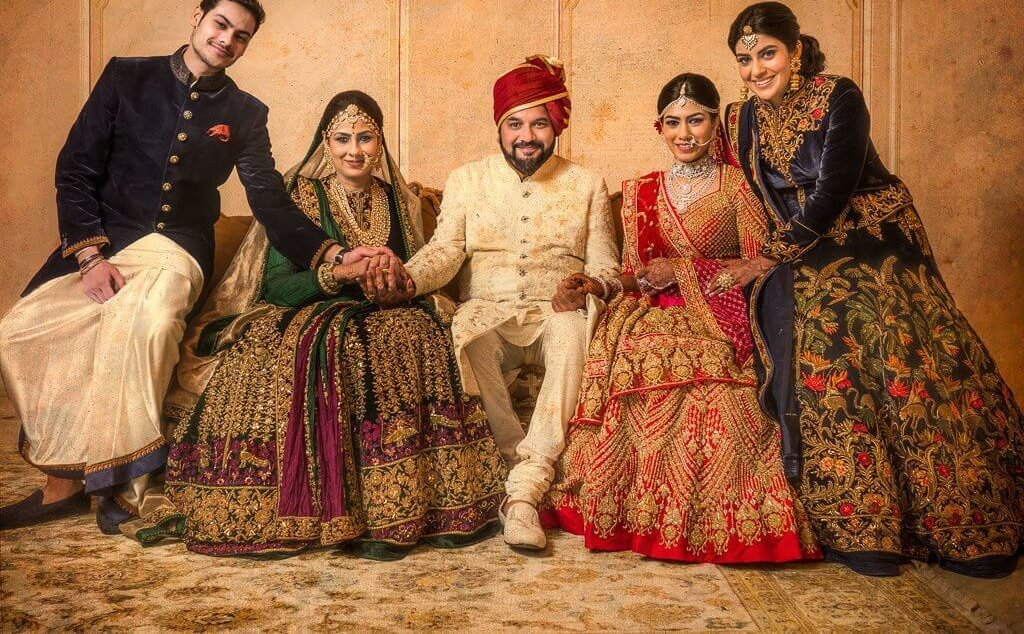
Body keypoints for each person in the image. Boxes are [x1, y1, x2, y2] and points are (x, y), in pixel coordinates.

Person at [0, 0, 349, 534]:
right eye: (220, 24)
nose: (226, 40)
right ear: (197, 17)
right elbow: (76, 168)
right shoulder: (126, 76)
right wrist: (90, 256)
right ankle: (63, 480)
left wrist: (330, 251)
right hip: (106, 240)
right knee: (20, 331)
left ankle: (124, 484)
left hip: (180, 246)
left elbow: (269, 201)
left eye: (241, 36)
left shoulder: (246, 113)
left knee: (150, 321)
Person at [729, 0, 1023, 577]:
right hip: (802, 250)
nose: (757, 69)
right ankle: (861, 522)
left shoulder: (839, 95)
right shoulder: (743, 117)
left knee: (896, 348)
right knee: (814, 338)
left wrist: (769, 255)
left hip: (872, 239)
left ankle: (964, 518)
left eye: (768, 54)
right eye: (745, 59)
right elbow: (757, 195)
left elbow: (835, 187)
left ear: (795, 51)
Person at [143, 91, 506, 559]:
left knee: (421, 331)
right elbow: (278, 287)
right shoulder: (300, 197)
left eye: (366, 138)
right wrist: (340, 274)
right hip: (308, 310)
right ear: (325, 144)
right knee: (343, 344)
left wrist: (393, 277)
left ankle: (402, 505)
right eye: (342, 139)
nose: (355, 150)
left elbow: (418, 266)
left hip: (385, 311)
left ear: (380, 143)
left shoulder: (399, 201)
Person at [541, 73, 820, 563]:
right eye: (673, 123)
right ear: (660, 127)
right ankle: (634, 517)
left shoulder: (738, 186)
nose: (684, 134)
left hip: (717, 315)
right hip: (648, 314)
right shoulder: (641, 191)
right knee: (630, 361)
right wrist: (598, 286)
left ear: (715, 124)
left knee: (718, 389)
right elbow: (636, 274)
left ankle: (721, 524)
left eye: (696, 121)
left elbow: (758, 266)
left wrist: (684, 271)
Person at [399, 55, 620, 550]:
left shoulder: (587, 183)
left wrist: (586, 285)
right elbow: (444, 252)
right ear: (499, 127)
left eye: (539, 124)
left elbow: (607, 266)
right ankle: (517, 471)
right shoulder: (466, 180)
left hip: (554, 311)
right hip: (489, 309)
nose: (526, 136)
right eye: (515, 124)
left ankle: (523, 491)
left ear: (556, 125)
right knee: (468, 334)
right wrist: (406, 280)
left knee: (573, 331)